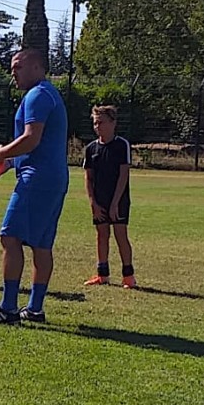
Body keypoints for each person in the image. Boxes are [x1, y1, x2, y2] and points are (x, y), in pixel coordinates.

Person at [0, 49, 69, 325]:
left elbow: (32, 138)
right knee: (41, 244)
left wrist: (2, 152)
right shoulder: (49, 93)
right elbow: (41, 144)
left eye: (18, 66)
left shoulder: (37, 95)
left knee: (10, 237)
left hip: (37, 179)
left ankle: (8, 308)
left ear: (38, 67)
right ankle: (35, 309)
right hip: (52, 177)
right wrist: (9, 164)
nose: (13, 72)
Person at [82, 105, 136, 288]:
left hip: (118, 199)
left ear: (113, 123)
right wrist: (93, 203)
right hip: (99, 199)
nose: (98, 126)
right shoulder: (91, 149)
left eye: (102, 123)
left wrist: (115, 203)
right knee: (101, 235)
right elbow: (88, 178)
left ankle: (128, 276)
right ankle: (102, 274)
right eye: (95, 123)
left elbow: (123, 175)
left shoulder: (122, 145)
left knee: (120, 235)